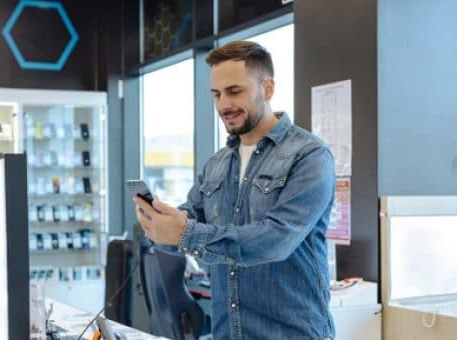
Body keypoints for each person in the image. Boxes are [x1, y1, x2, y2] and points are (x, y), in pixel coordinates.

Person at [134, 40, 336, 340]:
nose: (223, 105)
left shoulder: (309, 156)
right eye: (216, 94)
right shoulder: (217, 164)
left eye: (234, 91)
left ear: (267, 88)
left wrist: (184, 232)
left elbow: (275, 240)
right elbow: (189, 221)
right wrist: (158, 225)